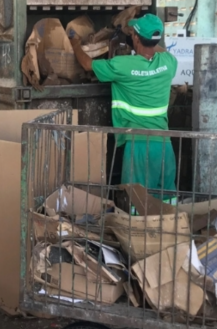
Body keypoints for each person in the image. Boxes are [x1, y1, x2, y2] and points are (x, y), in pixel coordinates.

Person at [71, 14, 177, 194]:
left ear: (135, 37)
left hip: (139, 145)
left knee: (136, 199)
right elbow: (159, 50)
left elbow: (88, 65)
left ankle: (136, 222)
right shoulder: (169, 64)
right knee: (164, 199)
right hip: (164, 144)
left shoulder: (122, 65)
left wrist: (74, 43)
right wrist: (144, 37)